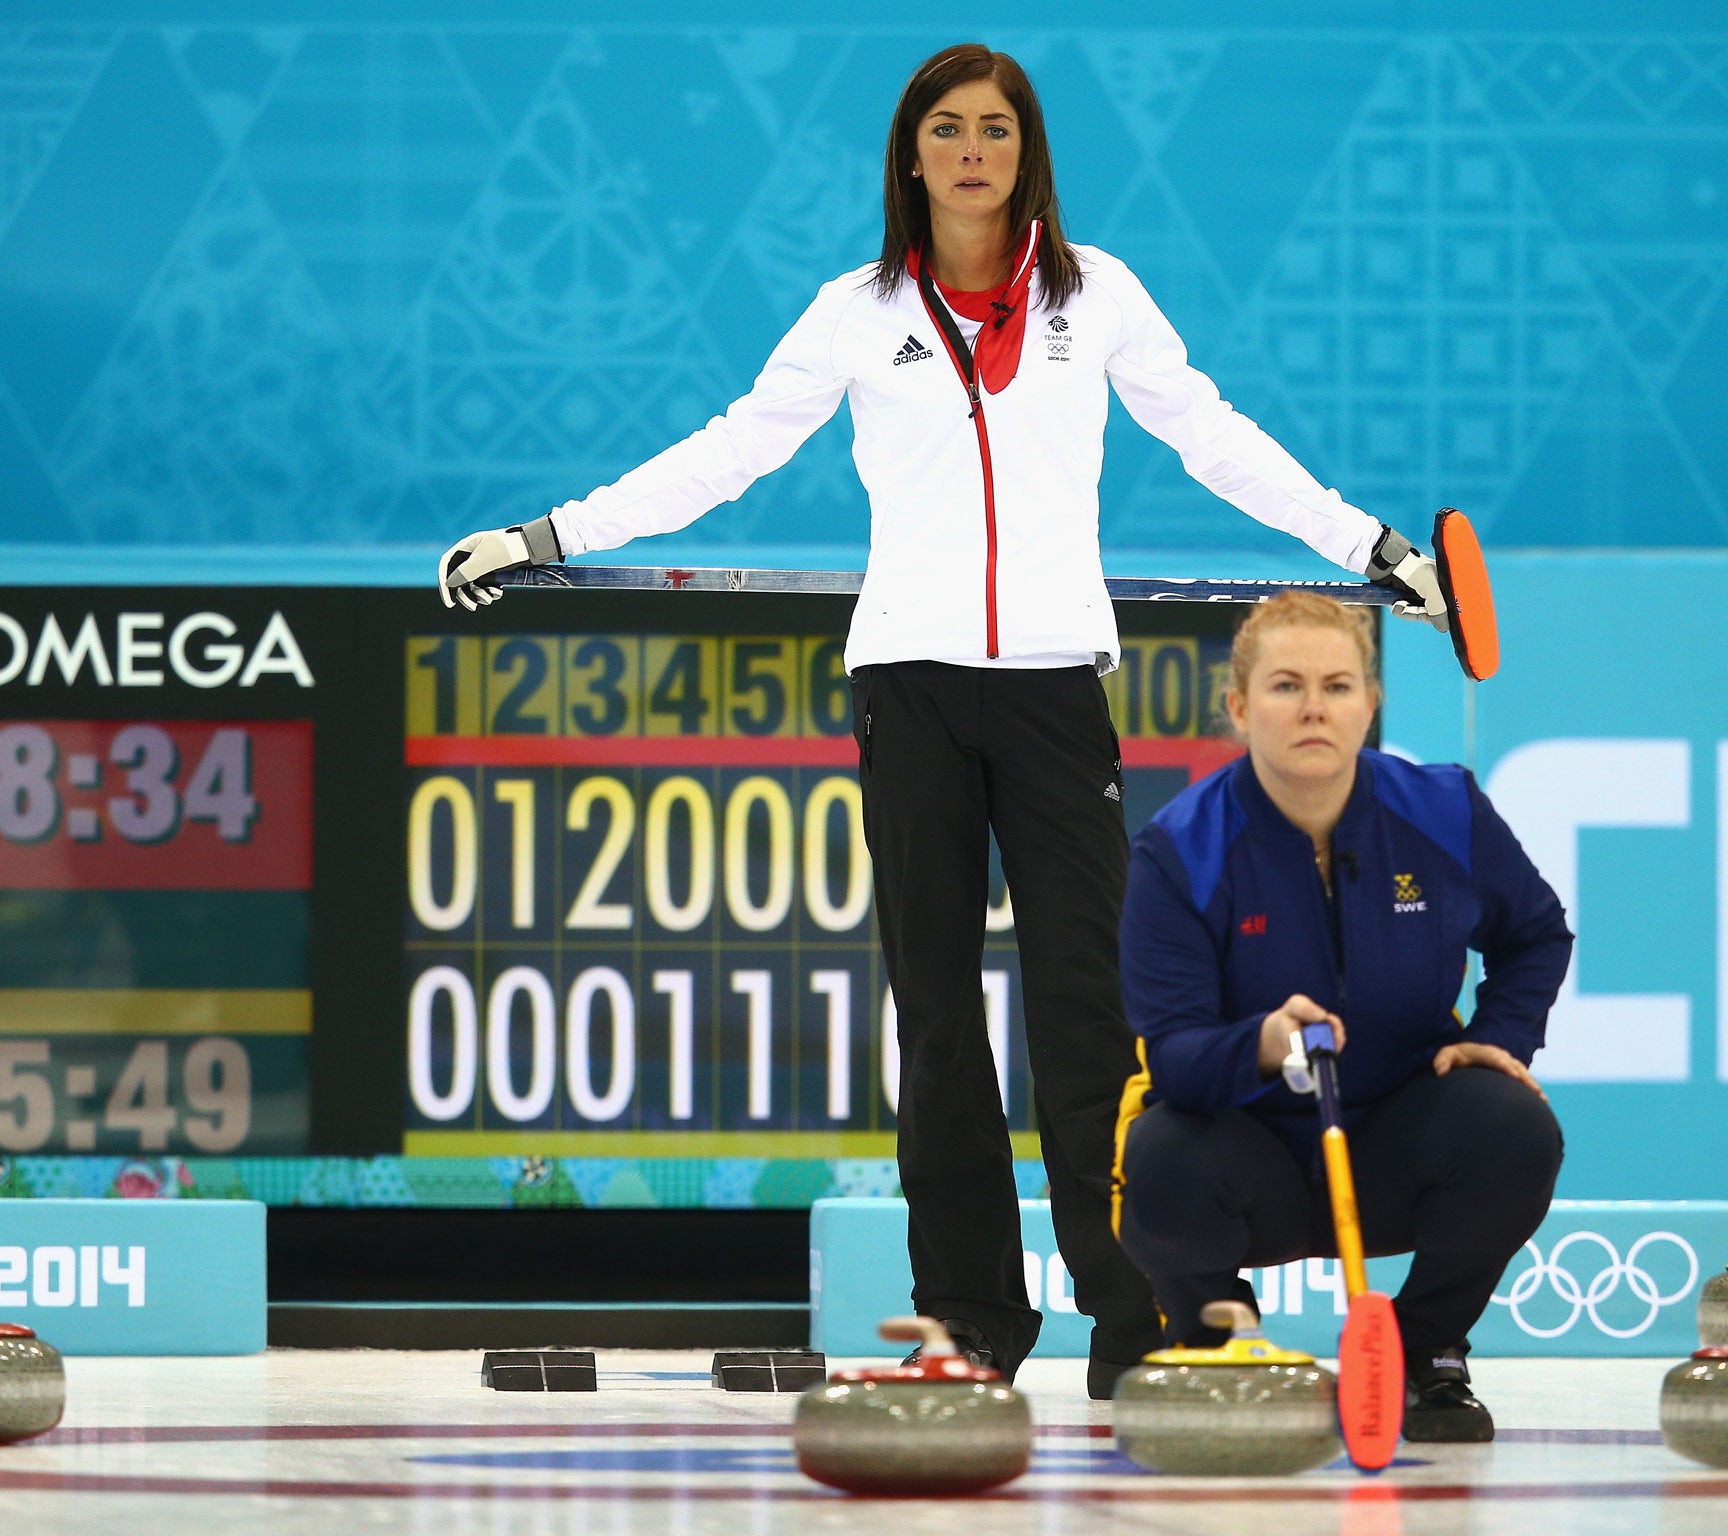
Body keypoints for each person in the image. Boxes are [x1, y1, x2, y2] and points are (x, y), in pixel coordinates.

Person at [434, 43, 1456, 1399]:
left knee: (1095, 1013)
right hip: (908, 690)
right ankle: (970, 1316)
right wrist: (548, 534)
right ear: (911, 155)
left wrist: (1370, 541)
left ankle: (1132, 1309)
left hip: (1049, 695)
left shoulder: (1101, 304)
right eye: (947, 129)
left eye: (997, 129)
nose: (974, 151)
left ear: (1028, 152)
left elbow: (1216, 437)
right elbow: (731, 449)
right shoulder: (857, 312)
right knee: (935, 1014)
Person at [1114, 592, 1570, 1440]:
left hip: (1399, 1139)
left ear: (1371, 702)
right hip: (1255, 1155)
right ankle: (1219, 1344)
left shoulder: (1444, 811)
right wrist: (1261, 1041)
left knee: (1513, 1127)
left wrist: (1495, 1040)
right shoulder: (1179, 849)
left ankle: (1425, 1355)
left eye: (1338, 685)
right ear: (1241, 708)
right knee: (1161, 1153)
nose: (1315, 707)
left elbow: (1538, 934)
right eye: (1286, 686)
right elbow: (1172, 1055)